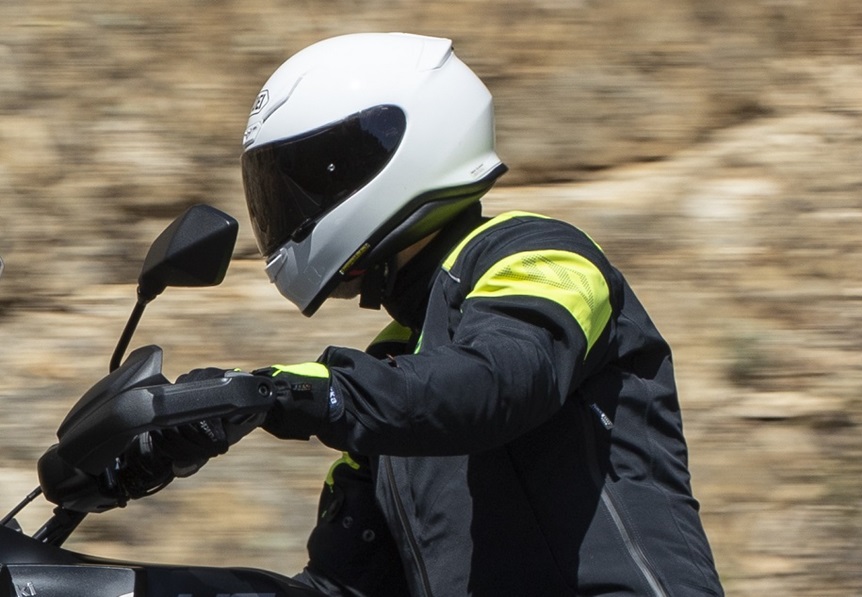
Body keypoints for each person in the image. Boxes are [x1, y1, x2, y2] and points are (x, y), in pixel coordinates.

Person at [163, 32, 723, 596]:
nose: (288, 211)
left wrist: (275, 393)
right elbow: (343, 586)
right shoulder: (392, 368)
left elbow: (498, 381)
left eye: (311, 177)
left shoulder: (542, 253)